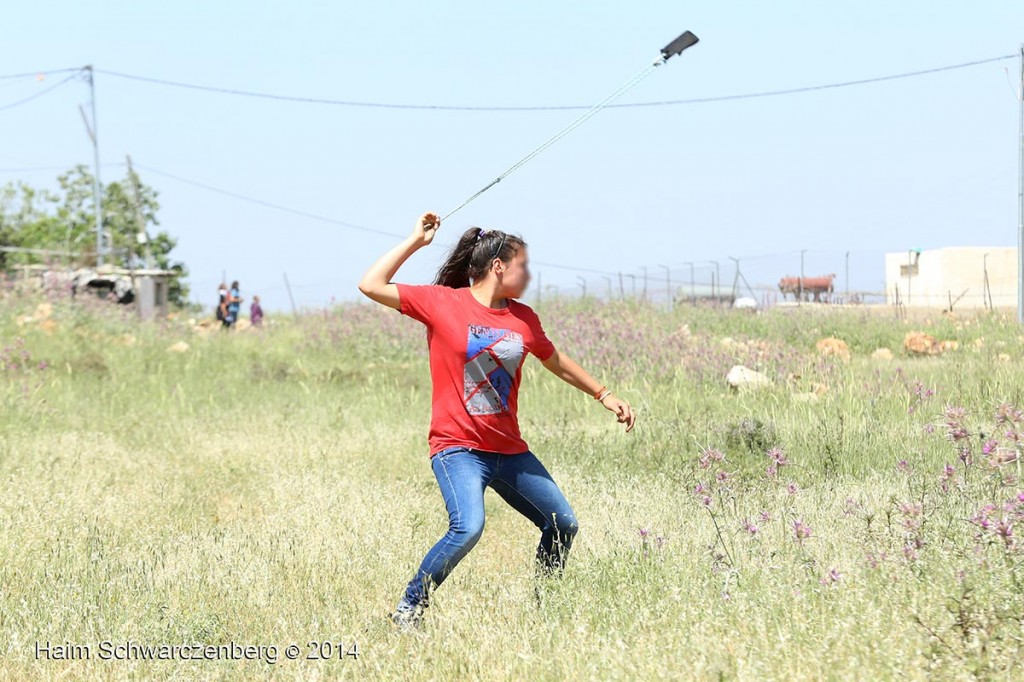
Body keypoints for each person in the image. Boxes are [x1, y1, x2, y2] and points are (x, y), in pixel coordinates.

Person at [358, 212, 636, 629]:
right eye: (522, 265)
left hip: (509, 451)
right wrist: (416, 241)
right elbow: (370, 284)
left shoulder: (524, 319)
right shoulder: (442, 302)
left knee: (563, 524)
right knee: (468, 528)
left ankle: (547, 608)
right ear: (498, 266)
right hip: (457, 450)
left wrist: (603, 393)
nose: (528, 274)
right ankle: (410, 607)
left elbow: (554, 360)